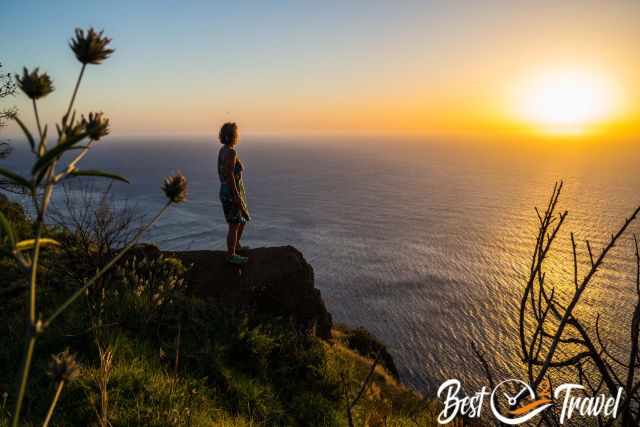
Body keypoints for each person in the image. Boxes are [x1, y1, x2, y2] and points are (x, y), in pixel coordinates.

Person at [217, 122, 251, 264]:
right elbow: (229, 175)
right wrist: (236, 195)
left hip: (226, 189)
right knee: (234, 224)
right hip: (231, 191)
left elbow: (222, 172)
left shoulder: (223, 150)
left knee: (241, 219)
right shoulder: (231, 152)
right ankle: (231, 254)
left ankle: (236, 246)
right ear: (233, 136)